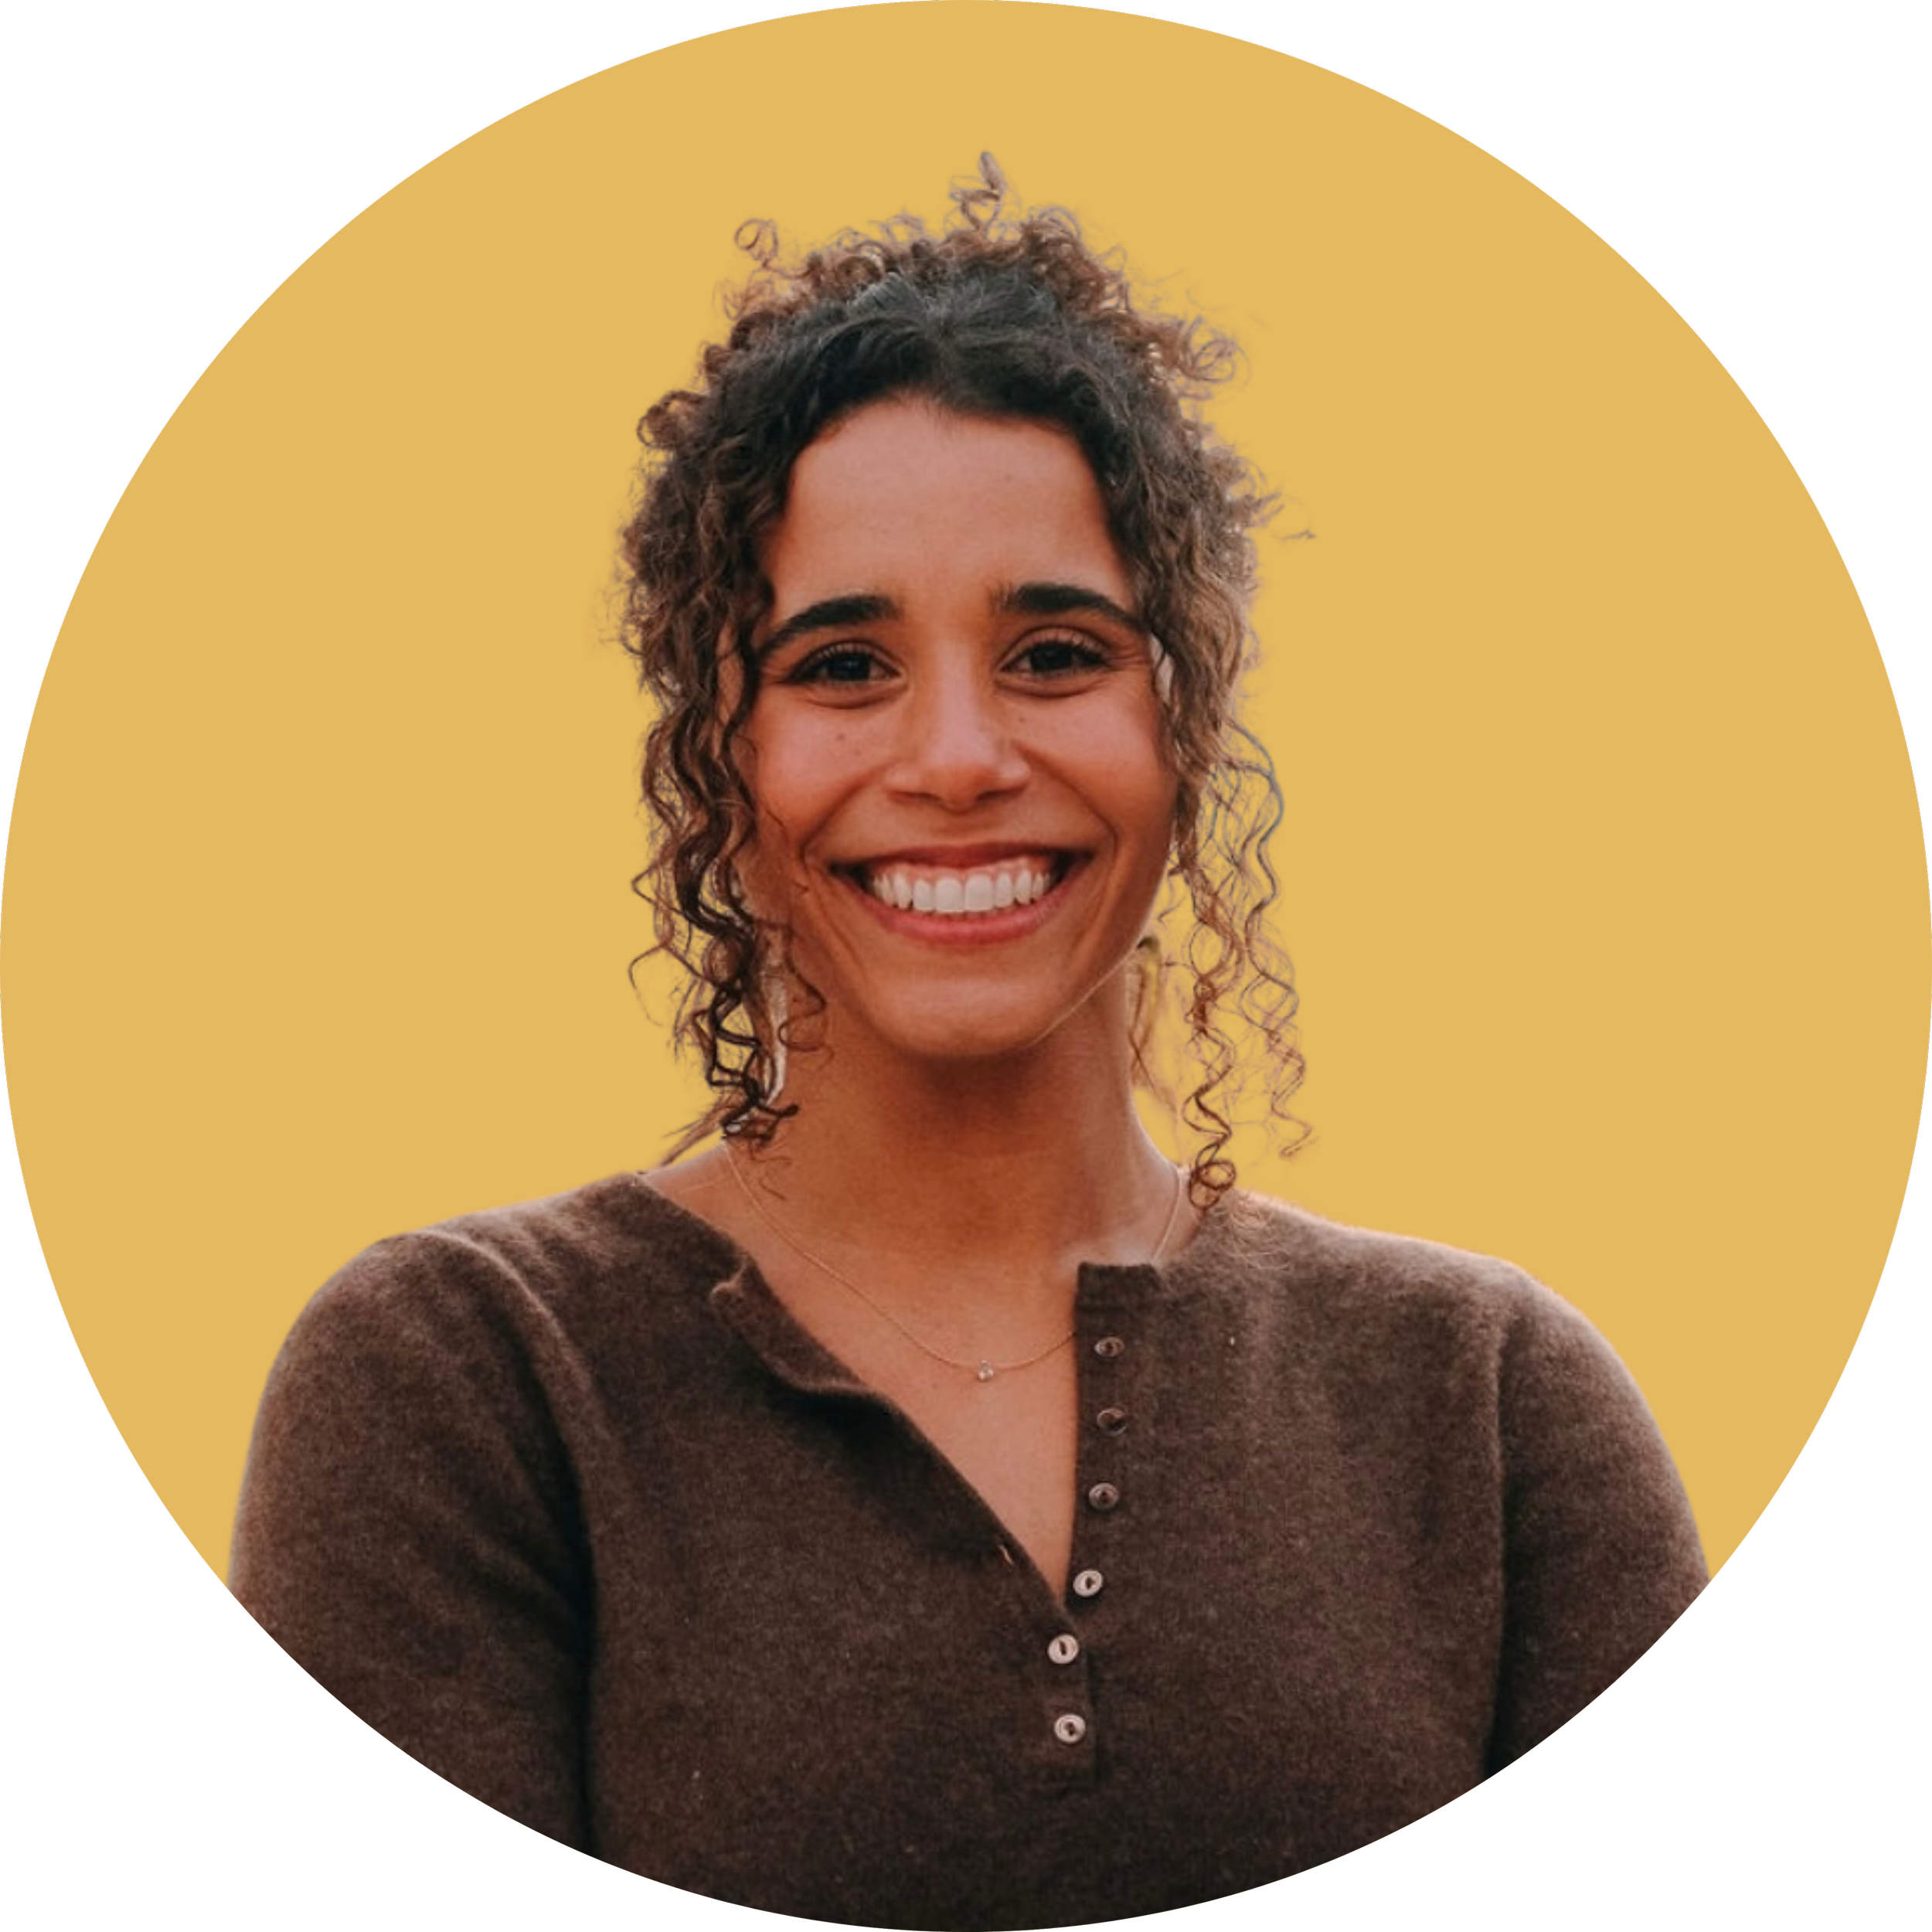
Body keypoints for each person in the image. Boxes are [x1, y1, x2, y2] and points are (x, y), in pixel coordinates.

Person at [230, 158, 1708, 1924]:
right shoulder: (468, 1382)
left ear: (1182, 730)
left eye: (1055, 652)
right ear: (717, 758)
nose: (952, 757)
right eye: (841, 665)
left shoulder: (1490, 1406)